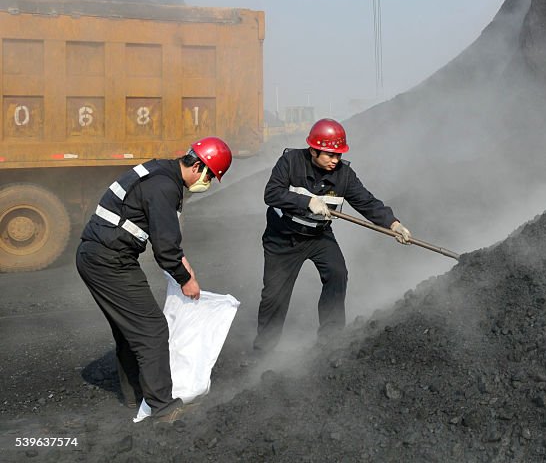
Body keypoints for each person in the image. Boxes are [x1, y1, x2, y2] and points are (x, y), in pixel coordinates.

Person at [76, 137, 232, 423]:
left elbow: (167, 237)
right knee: (152, 330)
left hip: (98, 255)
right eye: (209, 177)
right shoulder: (165, 187)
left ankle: (135, 395)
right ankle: (163, 408)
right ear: (198, 166)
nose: (207, 184)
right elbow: (165, 248)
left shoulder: (161, 171)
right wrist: (186, 280)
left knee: (129, 328)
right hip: (109, 261)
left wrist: (186, 266)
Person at [253, 118, 411, 353]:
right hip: (283, 238)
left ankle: (331, 340)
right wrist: (307, 201)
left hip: (319, 236)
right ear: (313, 149)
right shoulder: (290, 161)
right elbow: (272, 193)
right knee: (274, 295)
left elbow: (365, 201)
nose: (335, 160)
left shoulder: (344, 175)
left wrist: (393, 223)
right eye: (329, 155)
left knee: (338, 274)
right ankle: (263, 351)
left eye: (338, 155)